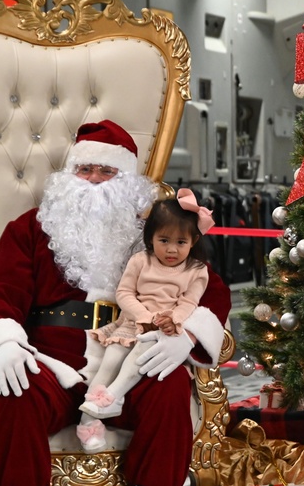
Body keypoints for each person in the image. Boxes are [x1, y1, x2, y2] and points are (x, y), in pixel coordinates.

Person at [0, 120, 230, 486]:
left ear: (127, 182)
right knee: (14, 390)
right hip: (52, 361)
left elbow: (212, 290)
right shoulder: (31, 229)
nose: (91, 180)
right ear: (69, 175)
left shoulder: (157, 235)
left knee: (168, 389)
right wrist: (5, 340)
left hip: (129, 359)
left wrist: (187, 336)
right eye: (84, 169)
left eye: (104, 173)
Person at [76, 190, 214, 452]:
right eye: (164, 240)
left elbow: (188, 303)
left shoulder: (196, 271)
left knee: (138, 356)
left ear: (193, 240)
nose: (171, 249)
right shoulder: (140, 261)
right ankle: (88, 425)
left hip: (163, 333)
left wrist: (171, 320)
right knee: (109, 362)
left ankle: (114, 396)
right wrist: (145, 316)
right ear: (150, 237)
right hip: (131, 324)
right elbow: (124, 293)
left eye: (181, 242)